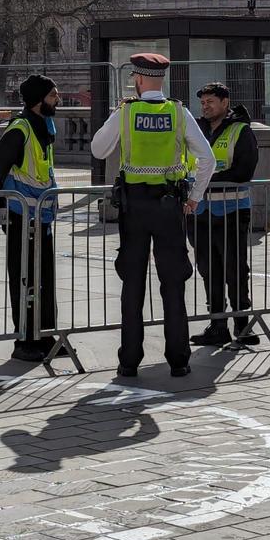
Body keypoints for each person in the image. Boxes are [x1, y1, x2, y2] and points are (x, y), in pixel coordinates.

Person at [91, 53, 215, 378]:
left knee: (132, 284)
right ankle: (179, 360)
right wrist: (194, 197)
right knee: (173, 284)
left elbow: (97, 149)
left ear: (138, 80)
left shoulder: (126, 112)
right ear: (162, 79)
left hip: (134, 209)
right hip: (170, 207)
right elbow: (208, 158)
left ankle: (129, 361)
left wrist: (118, 116)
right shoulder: (178, 112)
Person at [0, 74, 62, 363]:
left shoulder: (43, 127)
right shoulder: (21, 129)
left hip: (41, 216)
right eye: (53, 96)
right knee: (25, 278)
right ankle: (24, 339)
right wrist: (1, 209)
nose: (58, 100)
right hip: (20, 217)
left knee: (45, 278)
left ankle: (46, 335)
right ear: (39, 100)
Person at [187, 82, 260, 347]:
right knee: (209, 271)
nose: (206, 107)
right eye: (203, 103)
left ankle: (243, 326)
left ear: (225, 102)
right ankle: (217, 326)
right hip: (201, 212)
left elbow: (244, 171)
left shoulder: (241, 130)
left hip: (231, 211)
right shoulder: (197, 130)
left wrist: (206, 180)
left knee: (235, 269)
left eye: (211, 102)